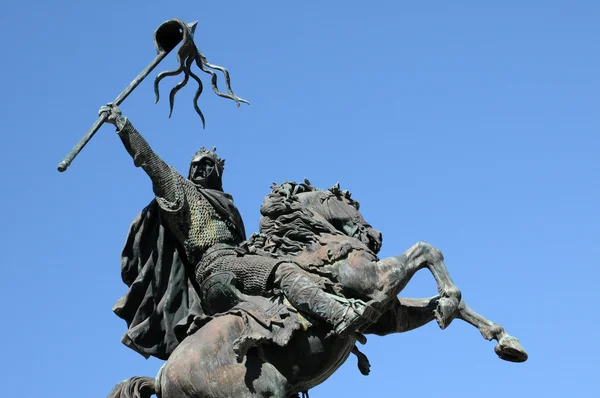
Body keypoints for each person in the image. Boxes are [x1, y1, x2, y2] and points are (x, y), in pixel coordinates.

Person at [100, 103, 378, 338]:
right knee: (282, 270)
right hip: (218, 265)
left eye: (206, 165)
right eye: (195, 165)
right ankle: (340, 316)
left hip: (235, 259)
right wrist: (123, 124)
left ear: (216, 173)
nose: (199, 169)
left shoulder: (226, 206)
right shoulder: (181, 192)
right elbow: (150, 162)